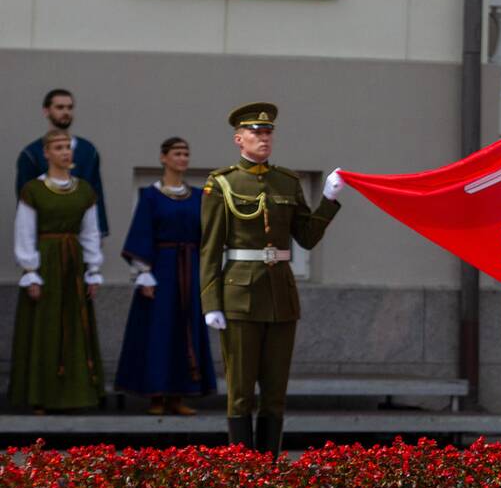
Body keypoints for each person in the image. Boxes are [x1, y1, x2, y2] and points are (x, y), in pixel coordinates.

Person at [200, 103, 343, 456]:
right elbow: (209, 248)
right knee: (241, 392)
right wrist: (210, 302)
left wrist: (328, 200)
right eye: (256, 132)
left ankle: (268, 471)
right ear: (239, 139)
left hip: (280, 296)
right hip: (239, 296)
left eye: (268, 132)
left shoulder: (287, 181)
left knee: (275, 393)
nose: (264, 138)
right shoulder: (222, 183)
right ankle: (243, 471)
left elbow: (306, 237)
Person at [115, 137, 217, 414]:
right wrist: (144, 274)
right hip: (161, 270)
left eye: (186, 153)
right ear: (163, 158)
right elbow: (141, 232)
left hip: (190, 269)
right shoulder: (150, 195)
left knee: (186, 329)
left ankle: (179, 395)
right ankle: (156, 395)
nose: (182, 158)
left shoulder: (198, 196)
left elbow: (207, 234)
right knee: (159, 330)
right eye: (177, 153)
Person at [10, 128, 105, 412]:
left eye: (68, 147)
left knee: (76, 327)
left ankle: (78, 396)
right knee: (45, 327)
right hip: (47, 264)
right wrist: (30, 271)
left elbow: (90, 233)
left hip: (74, 265)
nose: (65, 152)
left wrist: (93, 270)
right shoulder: (34, 190)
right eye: (59, 147)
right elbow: (24, 232)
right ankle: (42, 395)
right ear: (47, 153)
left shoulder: (84, 190)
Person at [17, 89, 108, 236]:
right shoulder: (31, 154)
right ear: (46, 111)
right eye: (60, 107)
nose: (66, 112)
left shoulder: (88, 151)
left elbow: (96, 193)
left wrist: (99, 231)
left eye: (69, 107)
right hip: (46, 236)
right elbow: (25, 202)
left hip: (81, 234)